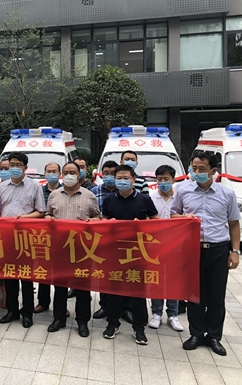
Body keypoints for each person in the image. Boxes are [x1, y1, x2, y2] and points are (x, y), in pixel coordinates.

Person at [172, 152, 240, 356]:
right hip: (192, 250)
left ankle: (214, 336)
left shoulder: (226, 193)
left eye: (202, 169)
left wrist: (235, 251)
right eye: (194, 168)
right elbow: (173, 214)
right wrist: (185, 217)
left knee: (216, 296)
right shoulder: (183, 190)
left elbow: (234, 223)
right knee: (194, 294)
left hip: (219, 249)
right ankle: (196, 334)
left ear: (213, 171)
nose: (197, 172)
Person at [101, 165, 158, 345]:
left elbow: (156, 221)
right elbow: (103, 219)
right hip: (114, 251)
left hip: (137, 252)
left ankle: (139, 328)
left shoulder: (144, 199)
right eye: (119, 178)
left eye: (126, 178)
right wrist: (107, 222)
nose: (122, 181)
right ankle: (112, 324)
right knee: (113, 290)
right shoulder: (109, 199)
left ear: (134, 179)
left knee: (138, 292)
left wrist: (142, 225)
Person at [45, 162, 100, 337]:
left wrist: (94, 221)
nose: (69, 175)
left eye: (73, 172)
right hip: (59, 248)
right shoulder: (54, 195)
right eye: (66, 172)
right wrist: (48, 219)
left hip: (82, 249)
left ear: (79, 175)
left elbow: (98, 217)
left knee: (82, 287)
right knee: (60, 286)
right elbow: (48, 213)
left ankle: (82, 322)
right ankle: (59, 318)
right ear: (62, 175)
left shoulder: (89, 195)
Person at [0, 152, 45, 328]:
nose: (14, 168)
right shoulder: (2, 186)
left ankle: (27, 312)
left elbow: (41, 212)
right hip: (6, 237)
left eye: (18, 165)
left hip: (26, 237)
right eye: (11, 165)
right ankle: (12, 310)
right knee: (9, 275)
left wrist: (24, 218)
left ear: (25, 167)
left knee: (26, 276)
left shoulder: (34, 186)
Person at [148, 165, 184, 332]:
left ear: (173, 179)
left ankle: (172, 314)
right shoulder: (151, 198)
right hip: (155, 247)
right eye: (159, 179)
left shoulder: (179, 198)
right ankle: (156, 313)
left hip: (176, 246)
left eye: (166, 179)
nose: (162, 182)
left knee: (173, 280)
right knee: (156, 279)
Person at [90, 160, 119, 320]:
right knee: (103, 273)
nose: (109, 176)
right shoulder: (94, 191)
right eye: (106, 173)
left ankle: (124, 308)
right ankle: (104, 305)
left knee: (123, 274)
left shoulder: (124, 191)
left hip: (122, 240)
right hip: (101, 239)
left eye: (112, 173)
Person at [35, 162, 63, 314]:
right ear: (44, 173)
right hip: (43, 237)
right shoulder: (39, 190)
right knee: (43, 271)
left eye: (54, 171)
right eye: (49, 171)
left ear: (59, 174)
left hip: (62, 239)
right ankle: (43, 302)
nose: (51, 174)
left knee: (60, 273)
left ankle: (61, 305)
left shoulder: (64, 190)